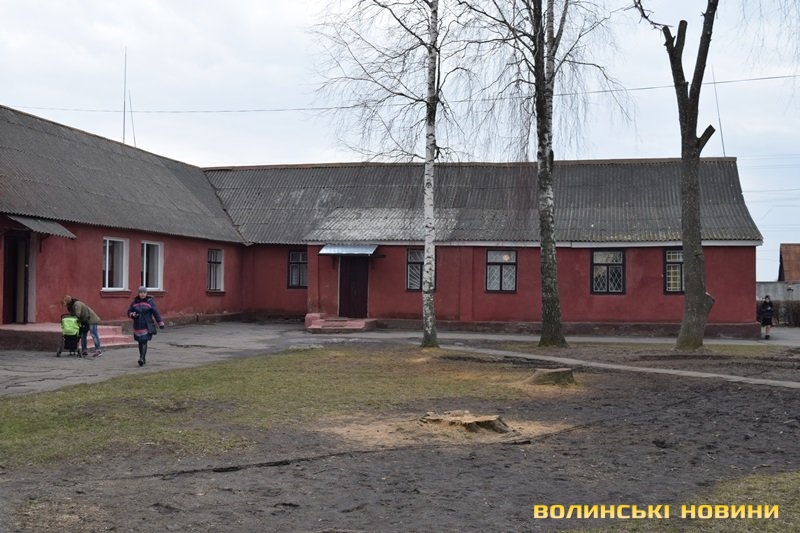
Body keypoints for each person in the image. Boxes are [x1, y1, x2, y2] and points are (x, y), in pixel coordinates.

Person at [128, 286, 165, 366]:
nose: (142, 294)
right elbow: (129, 312)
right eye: (141, 292)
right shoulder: (134, 302)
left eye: (144, 292)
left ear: (146, 293)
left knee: (144, 341)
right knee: (140, 342)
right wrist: (133, 314)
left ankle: (141, 358)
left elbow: (155, 312)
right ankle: (143, 358)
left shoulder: (150, 302)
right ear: (138, 293)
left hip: (147, 325)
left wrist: (160, 322)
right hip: (138, 325)